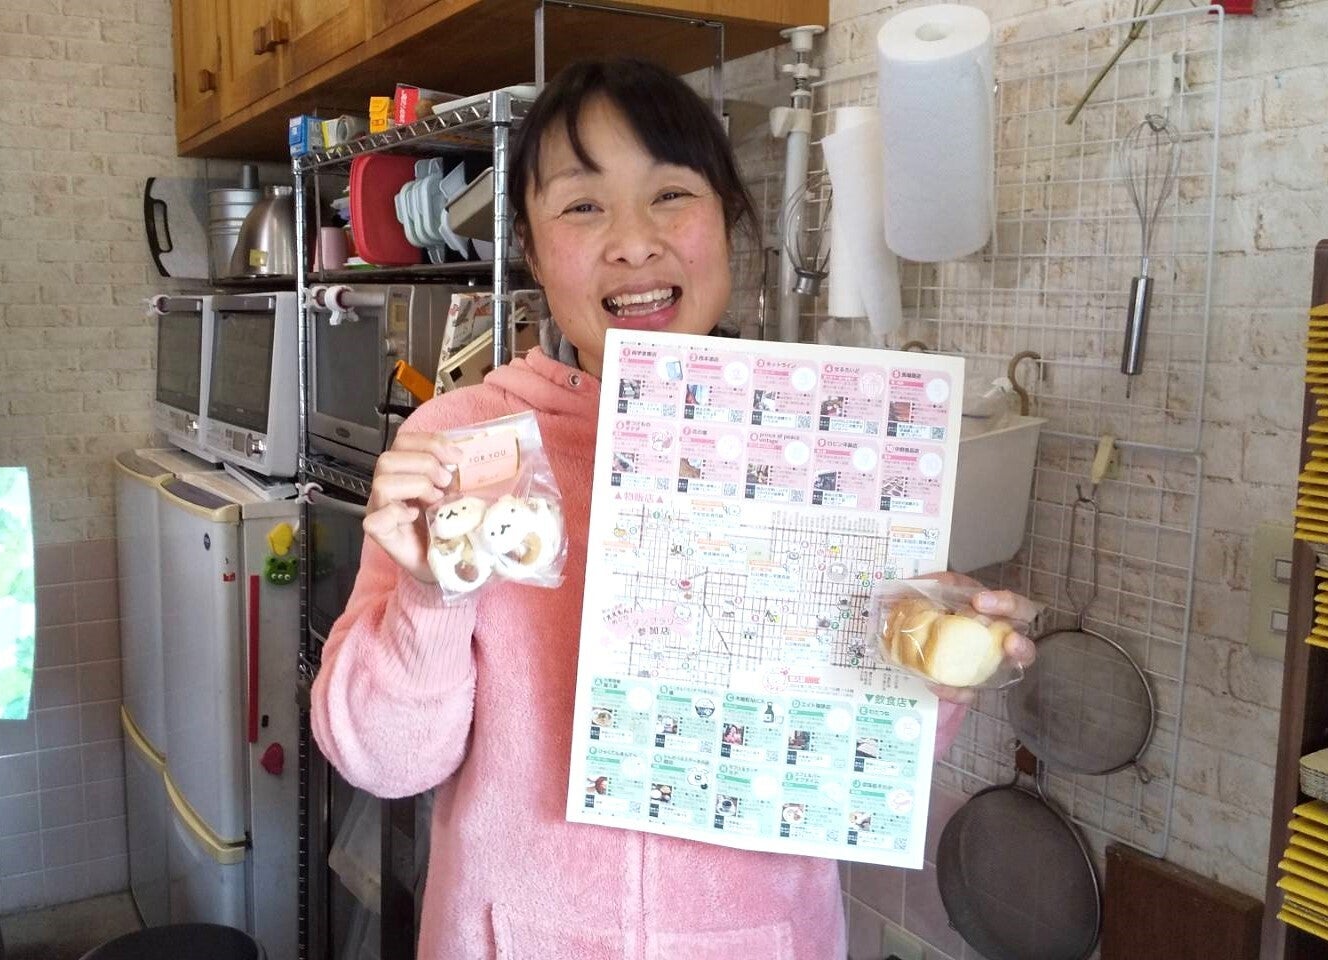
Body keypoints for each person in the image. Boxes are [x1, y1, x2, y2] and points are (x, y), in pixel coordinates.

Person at [311, 57, 1039, 960]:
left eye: (670, 195)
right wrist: (432, 595)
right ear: (530, 248)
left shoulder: (821, 445)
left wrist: (932, 667)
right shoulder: (466, 445)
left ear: (726, 219)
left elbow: (846, 768)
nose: (633, 242)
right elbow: (384, 762)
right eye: (583, 206)